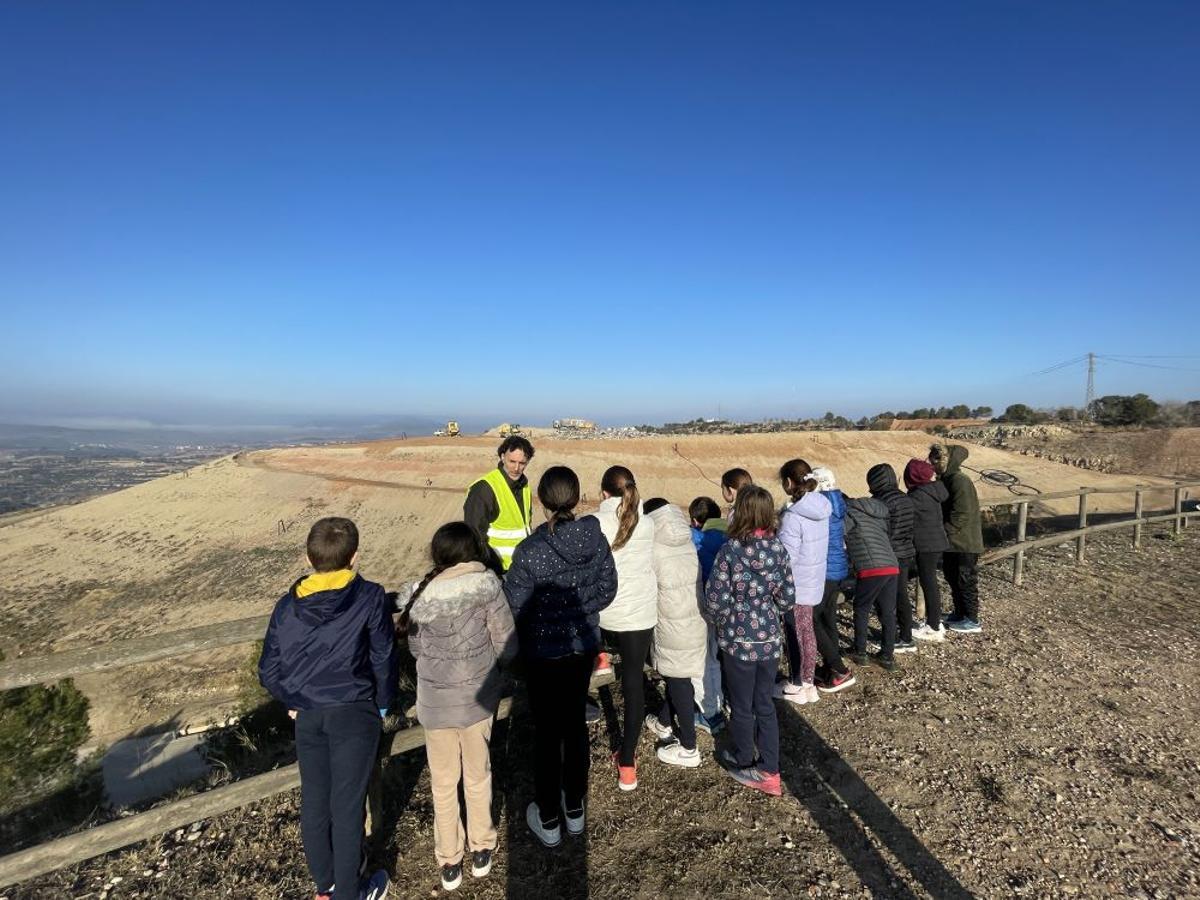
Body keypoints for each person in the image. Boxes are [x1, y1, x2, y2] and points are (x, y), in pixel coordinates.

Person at [258, 517, 394, 900]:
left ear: (308, 557)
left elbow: (268, 670)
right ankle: (351, 893)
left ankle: (327, 884)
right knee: (348, 808)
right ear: (355, 557)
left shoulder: (287, 607)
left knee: (316, 803)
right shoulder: (370, 596)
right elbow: (383, 655)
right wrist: (383, 702)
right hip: (354, 711)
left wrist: (294, 698)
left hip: (309, 717)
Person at [504, 466, 617, 848]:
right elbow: (607, 588)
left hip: (542, 655)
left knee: (548, 733)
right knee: (573, 726)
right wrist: (583, 612)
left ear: (541, 500)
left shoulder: (530, 552)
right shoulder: (594, 538)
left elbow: (513, 607)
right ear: (577, 497)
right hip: (582, 648)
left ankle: (549, 816)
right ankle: (575, 808)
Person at [401, 522, 516, 892]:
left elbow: (416, 650)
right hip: (477, 698)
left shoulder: (422, 595)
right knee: (479, 774)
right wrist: (497, 669)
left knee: (442, 783)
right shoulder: (487, 587)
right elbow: (506, 642)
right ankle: (481, 847)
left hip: (435, 704)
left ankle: (449, 859)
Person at [703, 485, 796, 796]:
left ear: (739, 512)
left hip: (737, 642)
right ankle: (771, 765)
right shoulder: (779, 549)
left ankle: (747, 761)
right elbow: (787, 599)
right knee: (764, 704)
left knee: (742, 707)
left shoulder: (730, 551)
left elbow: (715, 599)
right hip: (769, 640)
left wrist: (725, 621)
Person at [593, 465, 658, 791]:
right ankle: (628, 763)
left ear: (604, 493)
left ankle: (599, 655)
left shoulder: (595, 523)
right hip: (641, 614)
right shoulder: (647, 523)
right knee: (634, 683)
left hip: (606, 615)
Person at [642, 498, 708, 768]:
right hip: (694, 620)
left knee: (679, 680)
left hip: (671, 625)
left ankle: (690, 748)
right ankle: (664, 722)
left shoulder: (653, 548)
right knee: (677, 676)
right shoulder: (687, 542)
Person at [776, 459, 831, 705]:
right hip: (814, 579)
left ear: (788, 483)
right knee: (806, 631)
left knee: (796, 633)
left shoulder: (793, 516)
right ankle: (807, 682)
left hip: (796, 584)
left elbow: (786, 556)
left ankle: (799, 683)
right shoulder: (822, 508)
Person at [929, 443, 984, 633]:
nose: (932, 462)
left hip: (964, 543)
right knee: (952, 577)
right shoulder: (947, 479)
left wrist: (942, 532)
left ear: (946, 460)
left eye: (936, 459)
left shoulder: (959, 480)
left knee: (965, 579)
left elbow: (961, 514)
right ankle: (960, 613)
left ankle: (971, 618)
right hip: (953, 542)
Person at [810, 466, 856, 693]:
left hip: (824, 569)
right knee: (828, 617)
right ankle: (831, 665)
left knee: (810, 619)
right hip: (838, 568)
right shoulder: (836, 502)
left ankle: (839, 669)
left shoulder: (819, 505)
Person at [844, 493, 900, 670]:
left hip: (870, 567)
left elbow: (839, 536)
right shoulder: (877, 513)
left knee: (861, 608)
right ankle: (887, 656)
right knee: (888, 612)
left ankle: (860, 651)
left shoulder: (849, 513)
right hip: (891, 565)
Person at [866, 463, 918, 654]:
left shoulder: (881, 503)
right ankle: (906, 636)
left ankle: (892, 638)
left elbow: (881, 532)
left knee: (885, 600)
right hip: (906, 553)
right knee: (901, 595)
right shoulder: (905, 498)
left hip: (887, 554)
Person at [687, 496, 728, 734]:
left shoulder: (695, 539)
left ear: (694, 520)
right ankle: (718, 703)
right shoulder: (731, 537)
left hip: (701, 607)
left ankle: (709, 712)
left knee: (701, 661)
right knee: (714, 659)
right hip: (724, 608)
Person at [464, 436, 535, 571]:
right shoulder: (484, 489)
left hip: (520, 567)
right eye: (512, 461)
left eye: (522, 463)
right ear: (502, 457)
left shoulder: (524, 487)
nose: (516, 468)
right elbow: (474, 536)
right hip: (497, 569)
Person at [904, 459, 950, 641]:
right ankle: (934, 622)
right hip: (936, 542)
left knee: (929, 583)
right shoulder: (932, 491)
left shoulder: (916, 497)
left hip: (926, 544)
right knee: (930, 582)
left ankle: (933, 626)